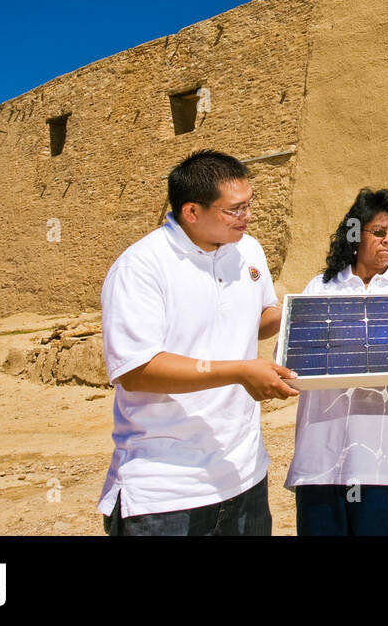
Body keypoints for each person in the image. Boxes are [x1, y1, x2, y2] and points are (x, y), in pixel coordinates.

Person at [98, 150, 297, 536]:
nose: (248, 217)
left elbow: (255, 320)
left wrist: (311, 311)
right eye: (235, 210)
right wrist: (239, 371)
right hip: (166, 492)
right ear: (192, 212)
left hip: (244, 477)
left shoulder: (248, 250)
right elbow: (138, 371)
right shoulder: (140, 267)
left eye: (249, 205)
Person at [286, 188, 388, 536]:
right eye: (379, 232)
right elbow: (296, 360)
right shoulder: (319, 290)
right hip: (325, 463)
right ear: (355, 234)